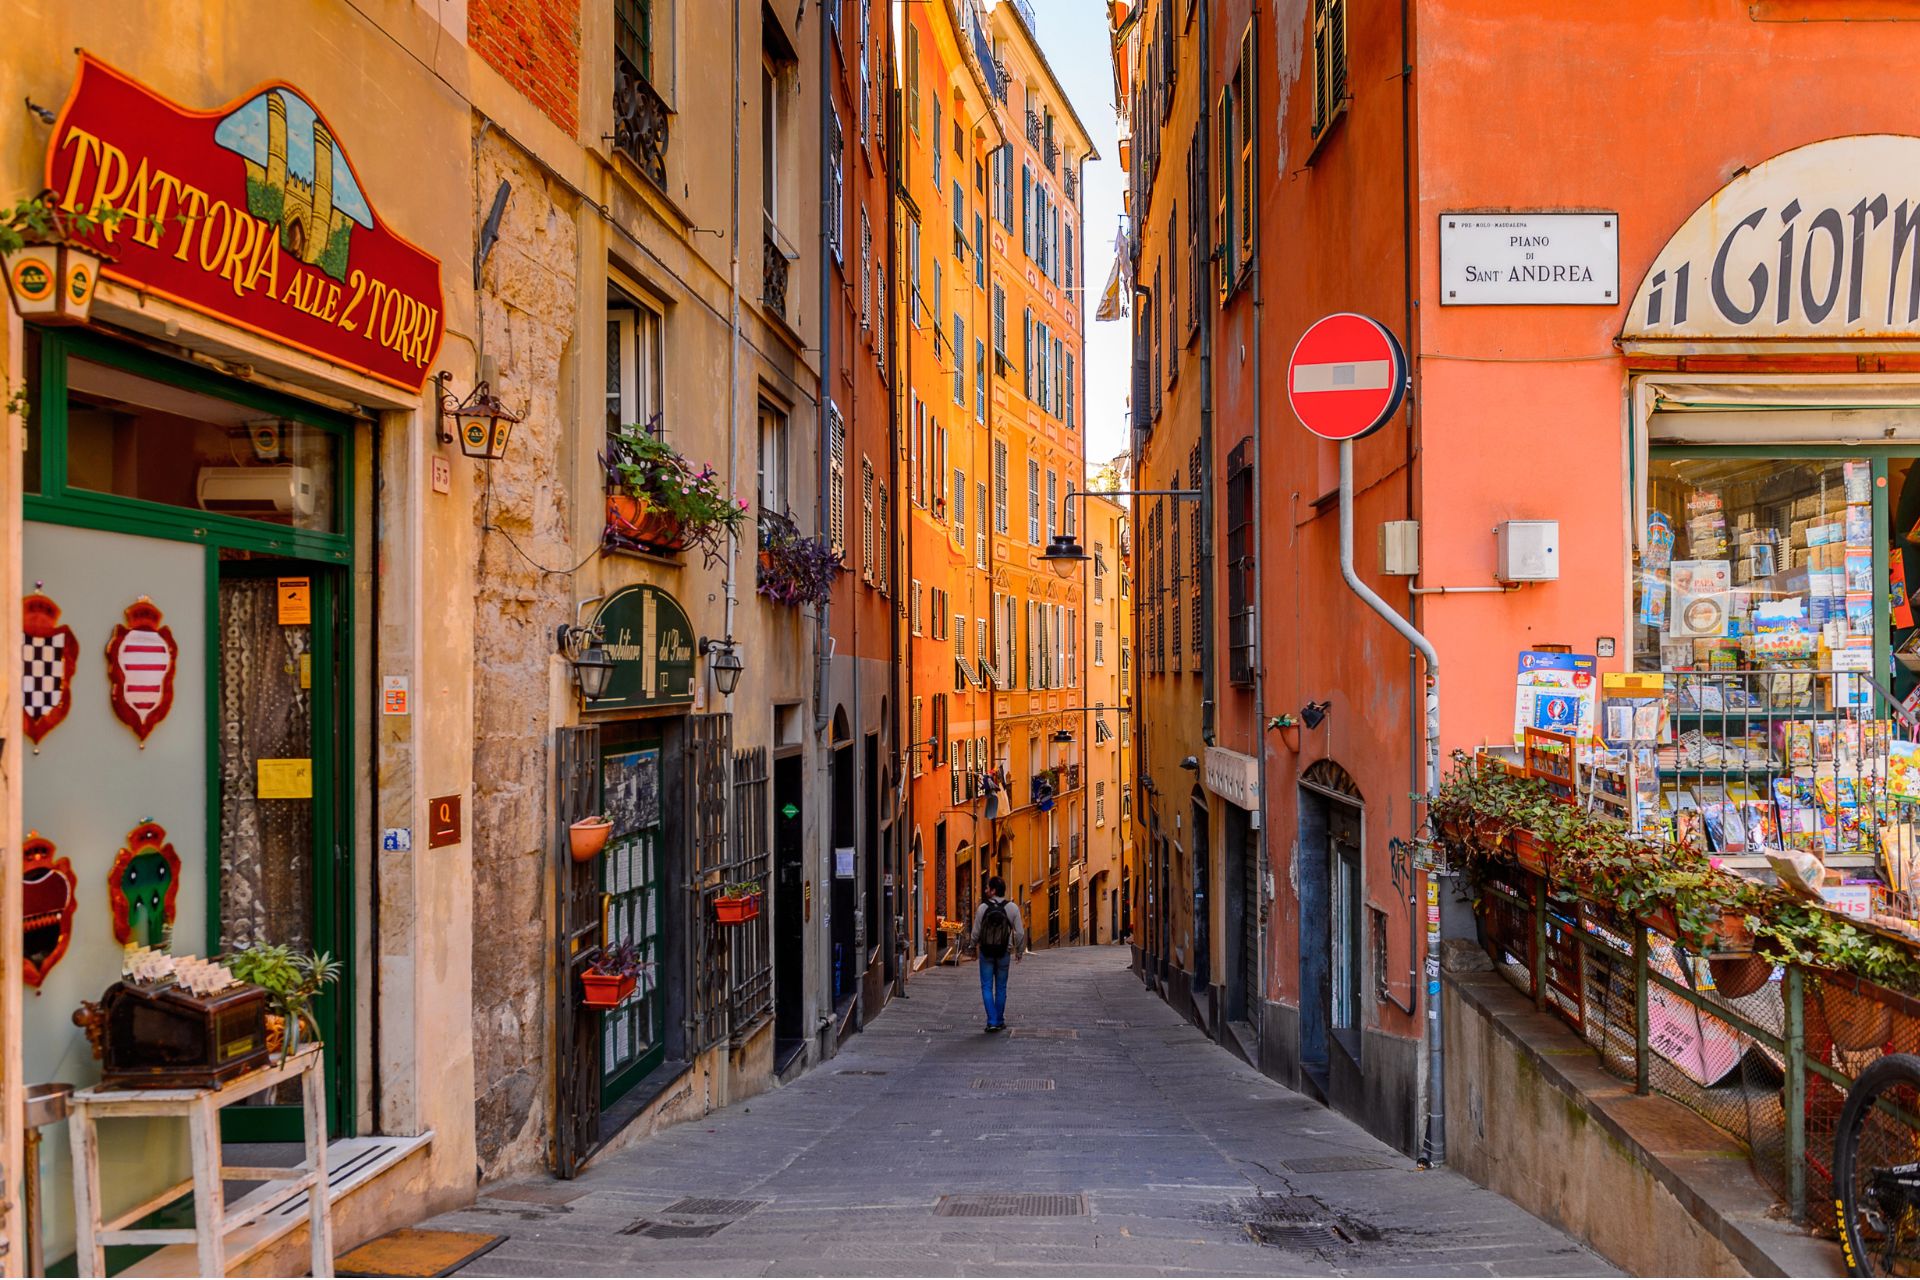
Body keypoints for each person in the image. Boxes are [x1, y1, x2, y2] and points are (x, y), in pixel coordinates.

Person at [968, 875, 1025, 1032]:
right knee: (1001, 987)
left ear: (993, 891)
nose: (986, 890)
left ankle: (992, 1020)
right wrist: (1019, 951)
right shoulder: (1012, 908)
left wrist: (972, 947)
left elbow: (976, 932)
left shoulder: (982, 908)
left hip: (986, 953)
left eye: (987, 888)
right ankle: (998, 1020)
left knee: (986, 986)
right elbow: (1019, 933)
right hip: (1003, 953)